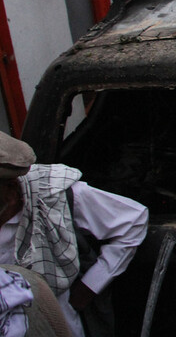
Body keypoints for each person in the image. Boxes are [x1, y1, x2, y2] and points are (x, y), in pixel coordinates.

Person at [0, 132, 149, 337]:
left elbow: (133, 220)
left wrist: (89, 287)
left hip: (55, 323)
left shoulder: (52, 193)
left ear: (10, 190)